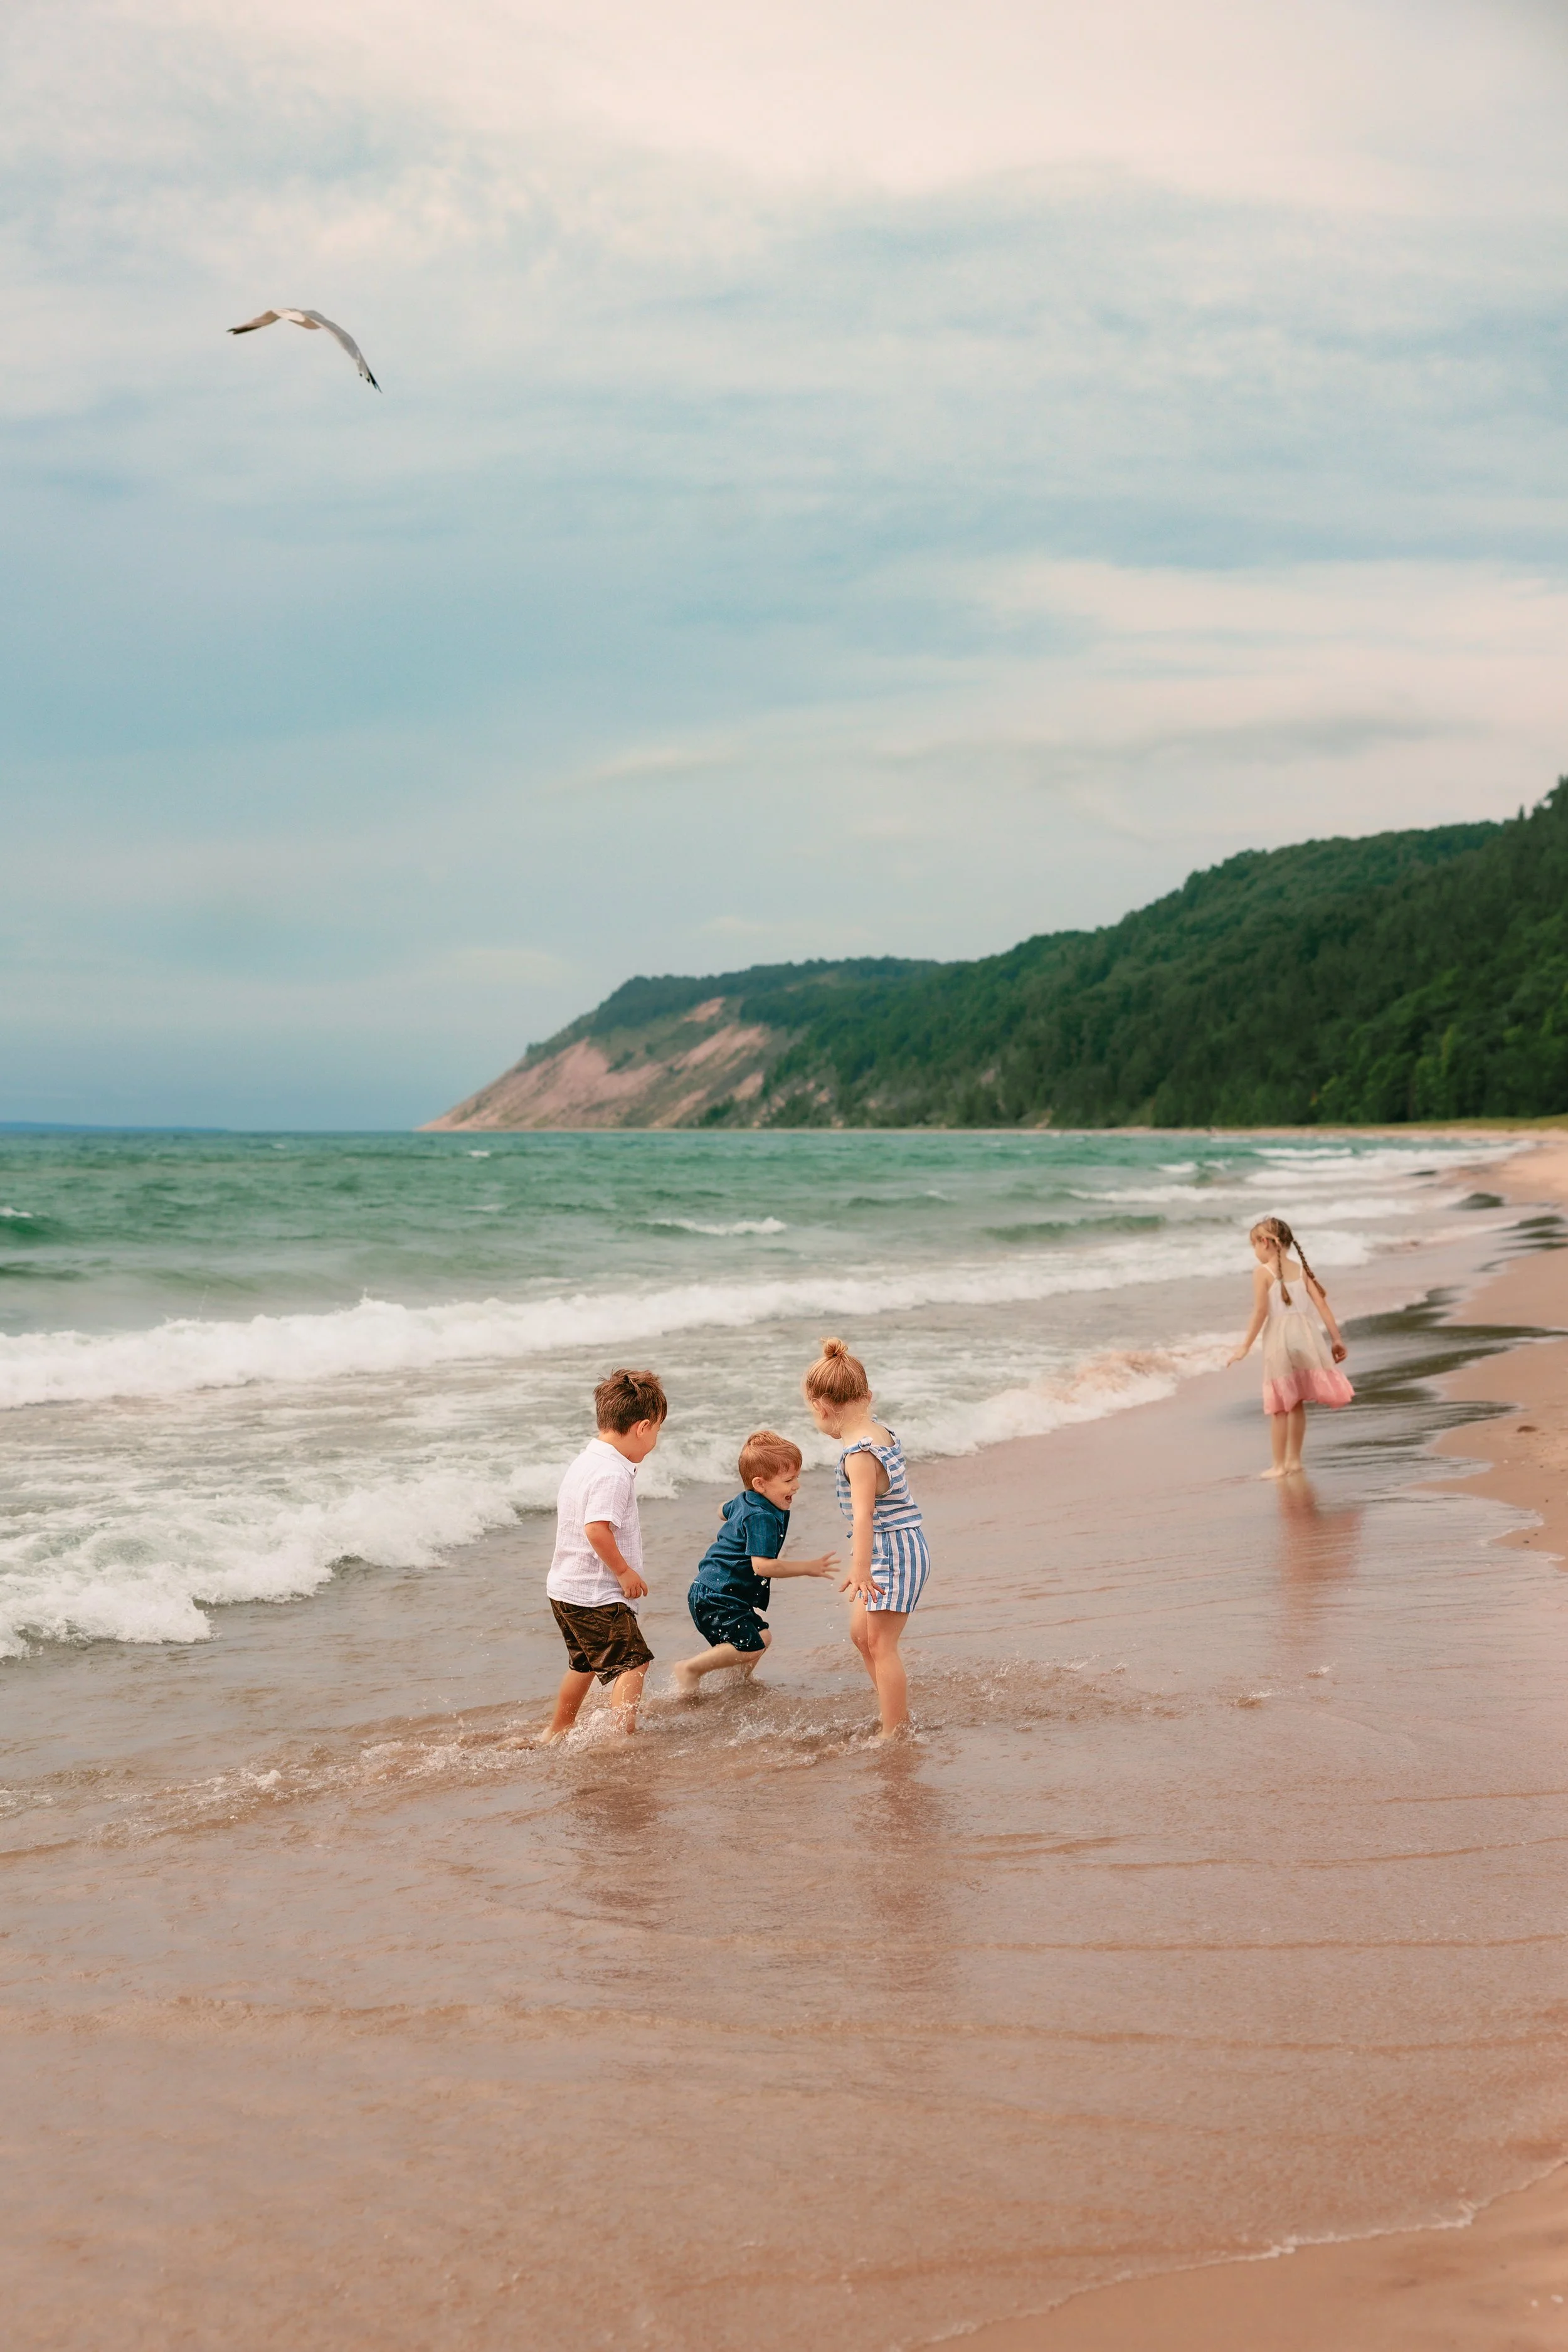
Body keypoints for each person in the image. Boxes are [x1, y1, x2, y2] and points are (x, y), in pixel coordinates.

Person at [802, 1337, 930, 1737]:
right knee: (863, 1636)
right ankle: (895, 1714)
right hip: (893, 1547)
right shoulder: (881, 1432)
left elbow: (865, 1515)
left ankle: (895, 1731)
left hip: (892, 1552)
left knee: (882, 1645)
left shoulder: (858, 1454)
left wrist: (860, 1569)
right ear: (867, 1395)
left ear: (822, 1407)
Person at [542, 1367, 667, 1741]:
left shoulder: (586, 1461)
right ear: (642, 1427)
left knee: (584, 1664)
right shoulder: (611, 1473)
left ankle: (558, 1730)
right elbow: (596, 1529)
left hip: (566, 1589)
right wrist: (624, 1572)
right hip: (594, 1593)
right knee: (635, 1662)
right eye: (658, 1431)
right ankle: (620, 1737)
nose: (655, 1441)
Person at [671, 1430, 837, 1697]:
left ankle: (737, 1684)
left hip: (714, 1590)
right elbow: (763, 1567)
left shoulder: (744, 1500)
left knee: (763, 1638)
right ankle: (690, 1669)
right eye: (788, 1480)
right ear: (760, 1484)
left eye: (797, 1477)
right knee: (753, 1645)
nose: (797, 1485)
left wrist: (734, 1517)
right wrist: (808, 1567)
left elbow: (721, 1509)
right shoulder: (762, 1517)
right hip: (718, 1595)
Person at [1228, 1216, 1353, 1478]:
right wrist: (1337, 1339)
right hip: (1307, 1339)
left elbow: (1260, 1312)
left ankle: (1278, 1465)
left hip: (1280, 1341)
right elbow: (1322, 1306)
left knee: (1279, 1406)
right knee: (1296, 1403)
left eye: (1254, 1245)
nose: (1255, 1252)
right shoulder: (1300, 1269)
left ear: (1265, 1243)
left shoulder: (1262, 1273)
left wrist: (1244, 1347)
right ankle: (1294, 1461)